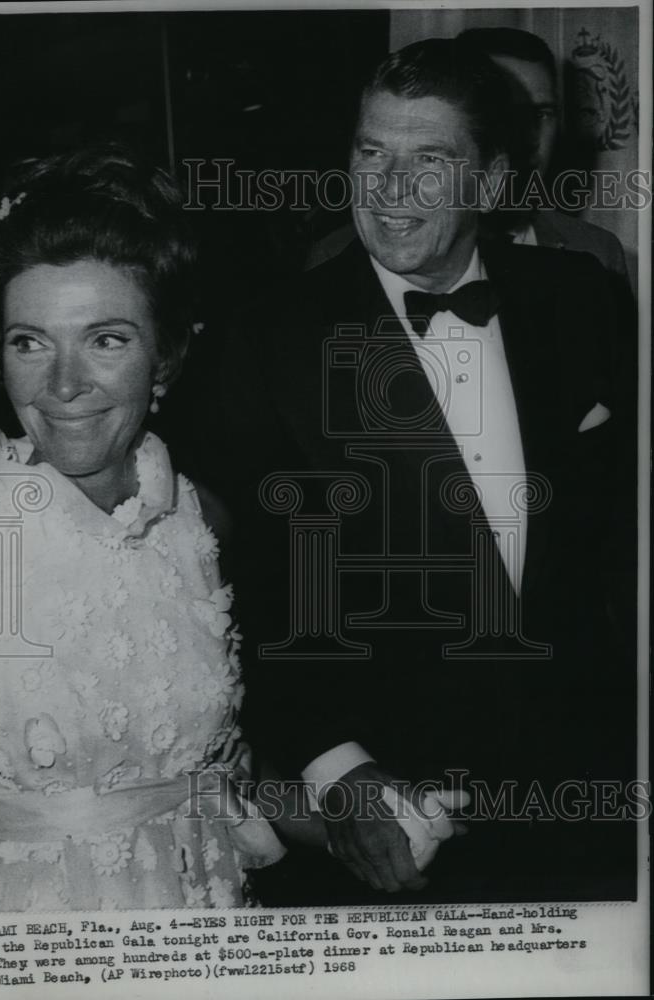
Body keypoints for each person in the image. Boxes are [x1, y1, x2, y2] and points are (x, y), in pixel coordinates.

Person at [188, 38, 637, 905]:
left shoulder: (583, 301)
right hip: (386, 825)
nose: (387, 190)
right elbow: (235, 593)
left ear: (494, 183)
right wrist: (338, 770)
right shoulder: (264, 342)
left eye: (427, 160)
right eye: (370, 153)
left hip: (585, 808)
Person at [0, 145, 291, 916]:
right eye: (29, 341)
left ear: (167, 358)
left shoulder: (200, 522)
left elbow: (219, 773)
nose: (61, 384)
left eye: (106, 339)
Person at [308, 28, 632, 293]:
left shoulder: (594, 262)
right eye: (503, 116)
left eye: (539, 115)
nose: (522, 137)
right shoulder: (333, 263)